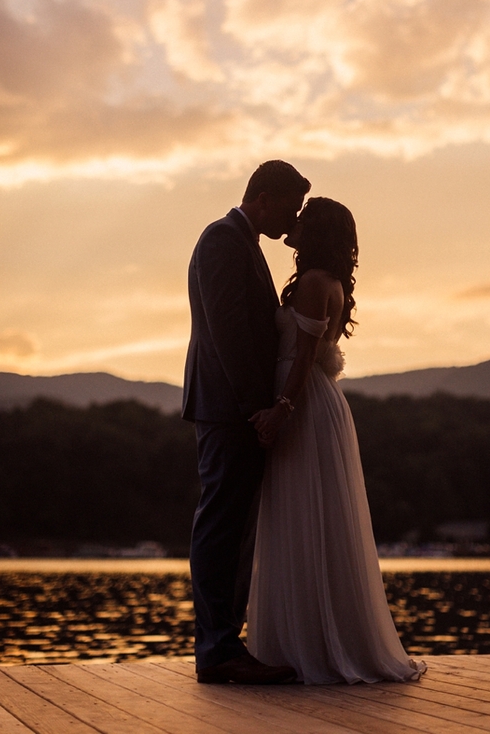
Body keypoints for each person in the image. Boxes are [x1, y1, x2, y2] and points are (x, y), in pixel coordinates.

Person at [248, 197, 427, 684]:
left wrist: (280, 410)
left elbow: (304, 356)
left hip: (302, 405)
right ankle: (315, 640)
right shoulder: (326, 283)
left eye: (304, 220)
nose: (295, 222)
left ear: (318, 232)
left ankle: (309, 647)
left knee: (304, 518)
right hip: (317, 404)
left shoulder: (310, 284)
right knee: (312, 520)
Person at [182, 160, 310, 684]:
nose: (293, 218)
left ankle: (223, 645)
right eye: (291, 206)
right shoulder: (221, 242)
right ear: (262, 197)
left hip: (233, 407)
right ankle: (216, 650)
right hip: (227, 406)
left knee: (234, 530)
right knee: (221, 527)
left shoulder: (243, 243)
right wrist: (256, 407)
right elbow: (228, 332)